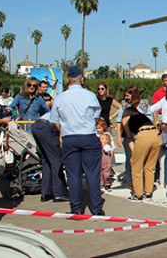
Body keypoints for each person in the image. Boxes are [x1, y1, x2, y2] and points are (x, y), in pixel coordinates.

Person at [50, 66, 104, 215]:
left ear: (68, 80)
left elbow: (54, 120)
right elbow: (96, 116)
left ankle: (76, 209)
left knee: (73, 175)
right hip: (88, 136)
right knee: (92, 174)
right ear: (81, 78)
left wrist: (66, 130)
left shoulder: (61, 97)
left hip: (70, 138)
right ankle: (97, 209)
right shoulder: (90, 95)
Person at [32, 92, 68, 202]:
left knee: (46, 161)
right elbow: (59, 125)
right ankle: (58, 193)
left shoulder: (62, 101)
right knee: (56, 160)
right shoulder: (69, 106)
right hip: (48, 126)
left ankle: (46, 193)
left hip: (38, 125)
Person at [123, 107, 162, 202]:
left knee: (136, 167)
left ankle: (138, 194)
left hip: (143, 136)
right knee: (150, 166)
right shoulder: (143, 116)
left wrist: (134, 155)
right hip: (156, 135)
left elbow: (129, 137)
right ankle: (148, 192)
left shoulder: (126, 118)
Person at [115, 86, 150, 186]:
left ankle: (142, 179)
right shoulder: (124, 104)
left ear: (134, 95)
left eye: (128, 95)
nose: (126, 97)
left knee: (142, 157)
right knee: (130, 157)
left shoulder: (144, 104)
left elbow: (150, 118)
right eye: (125, 95)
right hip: (128, 135)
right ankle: (130, 178)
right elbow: (119, 121)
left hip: (142, 135)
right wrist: (118, 137)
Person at [96, 119, 114, 192]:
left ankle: (107, 183)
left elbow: (111, 144)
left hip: (106, 154)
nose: (98, 130)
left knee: (106, 170)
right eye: (96, 128)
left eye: (99, 128)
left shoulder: (107, 135)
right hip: (97, 154)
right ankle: (100, 183)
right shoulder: (95, 136)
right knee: (99, 170)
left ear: (103, 128)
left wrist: (111, 151)